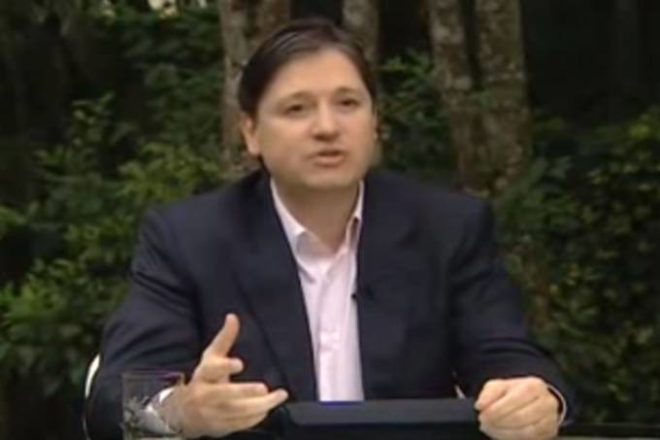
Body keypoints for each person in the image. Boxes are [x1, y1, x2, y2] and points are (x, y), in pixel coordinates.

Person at [85, 17, 575, 440]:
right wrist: (182, 411)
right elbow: (115, 403)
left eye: (347, 104)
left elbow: (513, 360)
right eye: (296, 109)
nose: (326, 127)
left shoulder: (448, 228)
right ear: (251, 132)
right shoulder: (189, 238)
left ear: (375, 121)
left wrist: (535, 401)